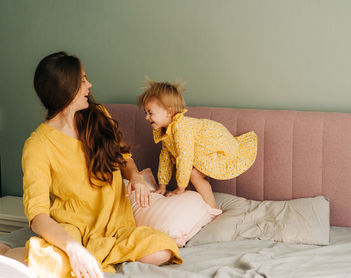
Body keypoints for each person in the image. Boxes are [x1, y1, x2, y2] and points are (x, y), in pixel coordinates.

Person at [19, 52, 181, 278]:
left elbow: (123, 157)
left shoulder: (98, 116)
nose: (89, 85)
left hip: (115, 226)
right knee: (58, 265)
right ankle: (15, 253)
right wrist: (73, 249)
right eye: (83, 80)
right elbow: (38, 217)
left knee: (163, 249)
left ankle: (91, 255)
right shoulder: (37, 145)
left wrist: (134, 176)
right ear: (66, 88)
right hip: (72, 229)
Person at [137, 79, 257, 209]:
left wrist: (180, 188)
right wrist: (162, 185)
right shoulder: (165, 131)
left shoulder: (181, 128)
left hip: (221, 148)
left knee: (192, 173)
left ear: (169, 112)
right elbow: (165, 158)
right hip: (204, 151)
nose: (146, 117)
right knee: (186, 169)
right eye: (145, 113)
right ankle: (195, 202)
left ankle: (214, 209)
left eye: (150, 113)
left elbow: (185, 157)